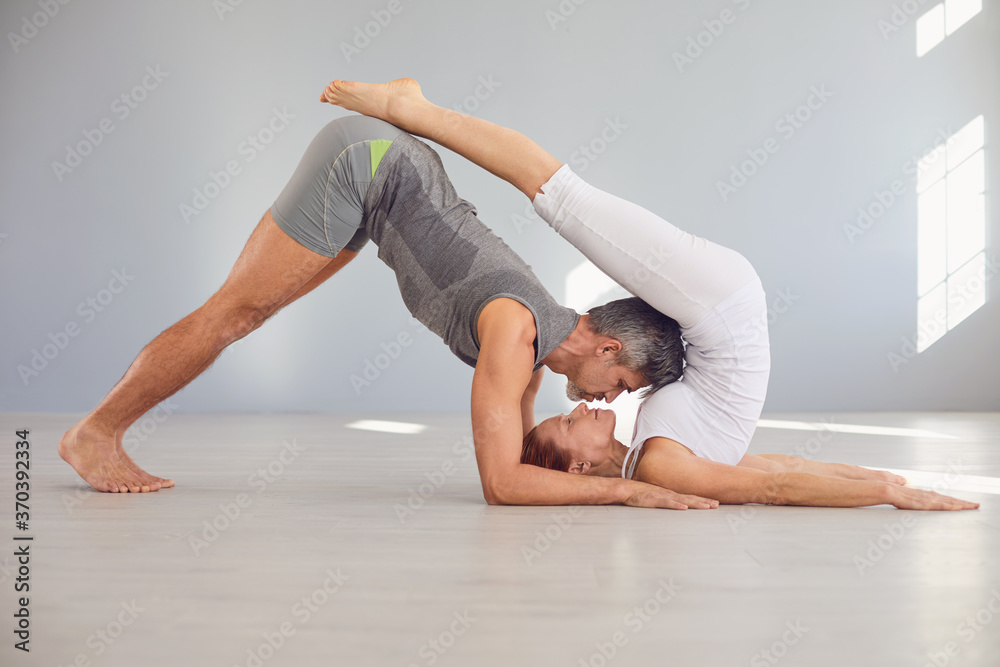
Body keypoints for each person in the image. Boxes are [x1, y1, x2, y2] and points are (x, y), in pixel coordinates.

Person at [322, 77, 980, 512]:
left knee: (564, 198)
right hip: (722, 305)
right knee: (563, 195)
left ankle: (413, 110)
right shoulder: (661, 463)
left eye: (613, 391)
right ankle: (413, 108)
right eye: (623, 382)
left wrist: (884, 485)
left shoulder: (653, 449)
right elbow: (775, 476)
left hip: (718, 308)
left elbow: (779, 468)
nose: (613, 397)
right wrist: (891, 490)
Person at [57, 99, 717, 512]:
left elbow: (520, 462)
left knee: (250, 311)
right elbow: (502, 485)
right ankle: (96, 433)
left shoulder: (535, 355)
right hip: (368, 162)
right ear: (608, 347)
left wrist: (598, 462)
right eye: (622, 383)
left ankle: (100, 429)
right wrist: (626, 488)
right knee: (238, 311)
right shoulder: (518, 334)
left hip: (381, 183)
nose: (608, 399)